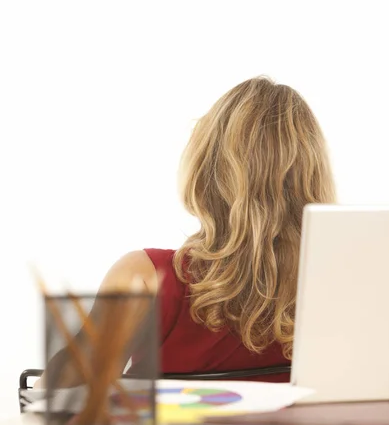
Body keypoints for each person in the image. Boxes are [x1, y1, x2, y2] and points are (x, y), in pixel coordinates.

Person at [39, 76, 336, 388]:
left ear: (206, 171)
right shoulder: (348, 279)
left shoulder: (146, 276)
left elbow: (56, 396)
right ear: (314, 176)